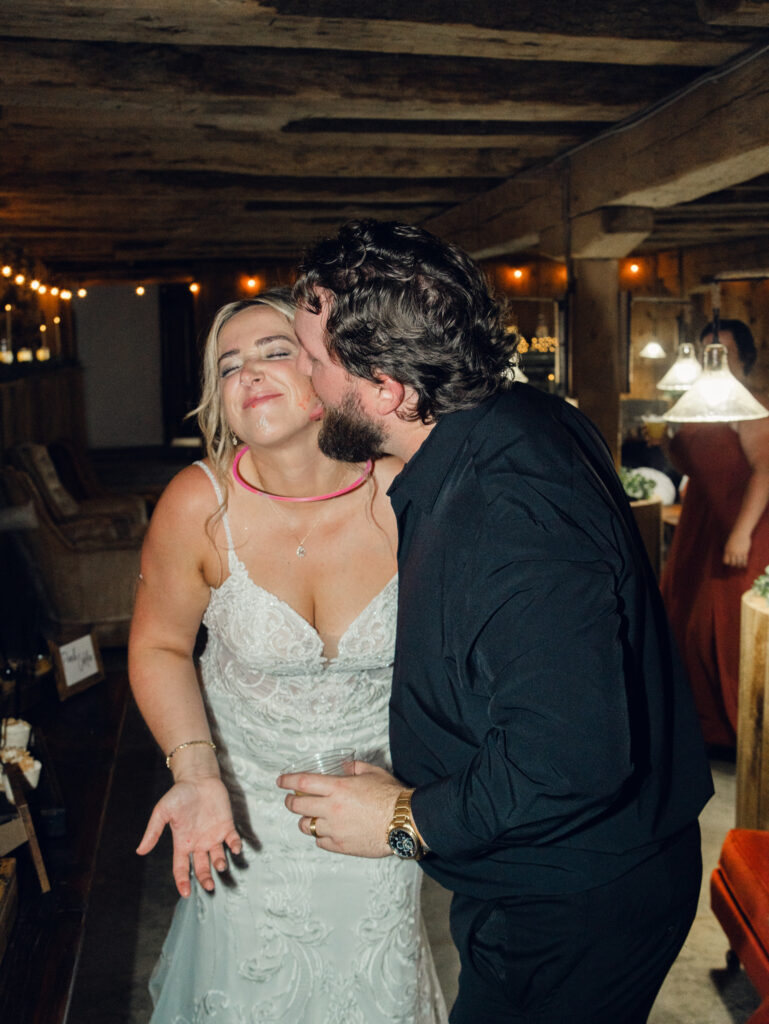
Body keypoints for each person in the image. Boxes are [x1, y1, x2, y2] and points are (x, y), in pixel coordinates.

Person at [277, 221, 714, 1024]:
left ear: (387, 389)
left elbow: (569, 759)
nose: (302, 382)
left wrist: (403, 821)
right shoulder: (501, 416)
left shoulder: (507, 508)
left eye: (312, 360)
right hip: (541, 880)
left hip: (575, 900)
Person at [128, 288, 447, 1023]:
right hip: (238, 818)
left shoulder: (407, 492)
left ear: (329, 371)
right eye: (229, 365)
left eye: (275, 351)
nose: (249, 372)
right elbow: (159, 643)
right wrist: (195, 772)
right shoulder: (195, 505)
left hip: (377, 817)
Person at [660, 318, 769, 749]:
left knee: (726, 630)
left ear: (743, 359)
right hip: (700, 524)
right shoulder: (700, 401)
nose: (716, 362)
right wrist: (668, 439)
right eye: (709, 354)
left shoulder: (754, 405)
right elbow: (691, 464)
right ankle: (705, 731)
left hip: (742, 523)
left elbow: (766, 470)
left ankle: (743, 733)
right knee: (688, 624)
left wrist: (741, 534)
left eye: (724, 353)